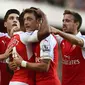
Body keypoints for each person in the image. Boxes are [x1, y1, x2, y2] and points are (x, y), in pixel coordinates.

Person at [11, 7, 61, 85]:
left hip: (49, 82)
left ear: (38, 21)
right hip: (38, 82)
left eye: (29, 19)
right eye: (25, 20)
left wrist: (22, 63)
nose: (26, 23)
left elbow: (44, 67)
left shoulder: (46, 38)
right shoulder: (33, 38)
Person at [50, 10, 85, 85]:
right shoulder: (62, 39)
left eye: (67, 21)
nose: (64, 23)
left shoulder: (83, 39)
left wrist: (59, 32)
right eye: (63, 21)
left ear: (77, 24)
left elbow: (78, 42)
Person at [0, 9, 20, 85]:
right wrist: (4, 56)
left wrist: (20, 64)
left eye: (17, 19)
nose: (15, 21)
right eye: (11, 18)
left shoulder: (26, 39)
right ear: (5, 24)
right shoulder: (1, 37)